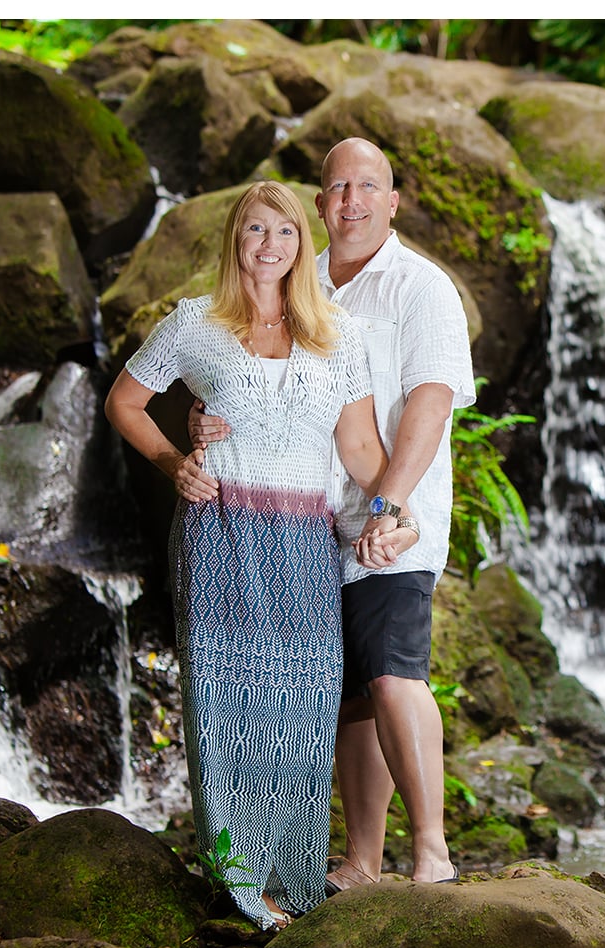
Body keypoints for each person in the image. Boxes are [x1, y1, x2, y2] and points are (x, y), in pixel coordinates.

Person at [105, 179, 401, 931]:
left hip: (304, 541)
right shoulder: (194, 324)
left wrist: (398, 507)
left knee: (304, 707)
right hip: (221, 532)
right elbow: (124, 402)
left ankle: (292, 878)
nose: (271, 245)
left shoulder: (337, 335)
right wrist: (175, 462)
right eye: (255, 230)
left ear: (303, 243)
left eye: (285, 232)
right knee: (225, 706)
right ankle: (240, 883)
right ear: (234, 240)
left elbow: (360, 447)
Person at [190, 137, 476, 891]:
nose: (352, 200)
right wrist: (206, 418)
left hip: (391, 525)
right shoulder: (296, 281)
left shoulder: (422, 288)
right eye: (339, 187)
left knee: (392, 675)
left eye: (368, 186)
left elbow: (430, 404)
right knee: (347, 698)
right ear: (319, 204)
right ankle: (362, 860)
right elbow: (253, 381)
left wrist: (389, 503)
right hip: (307, 530)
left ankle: (434, 853)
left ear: (393, 201)